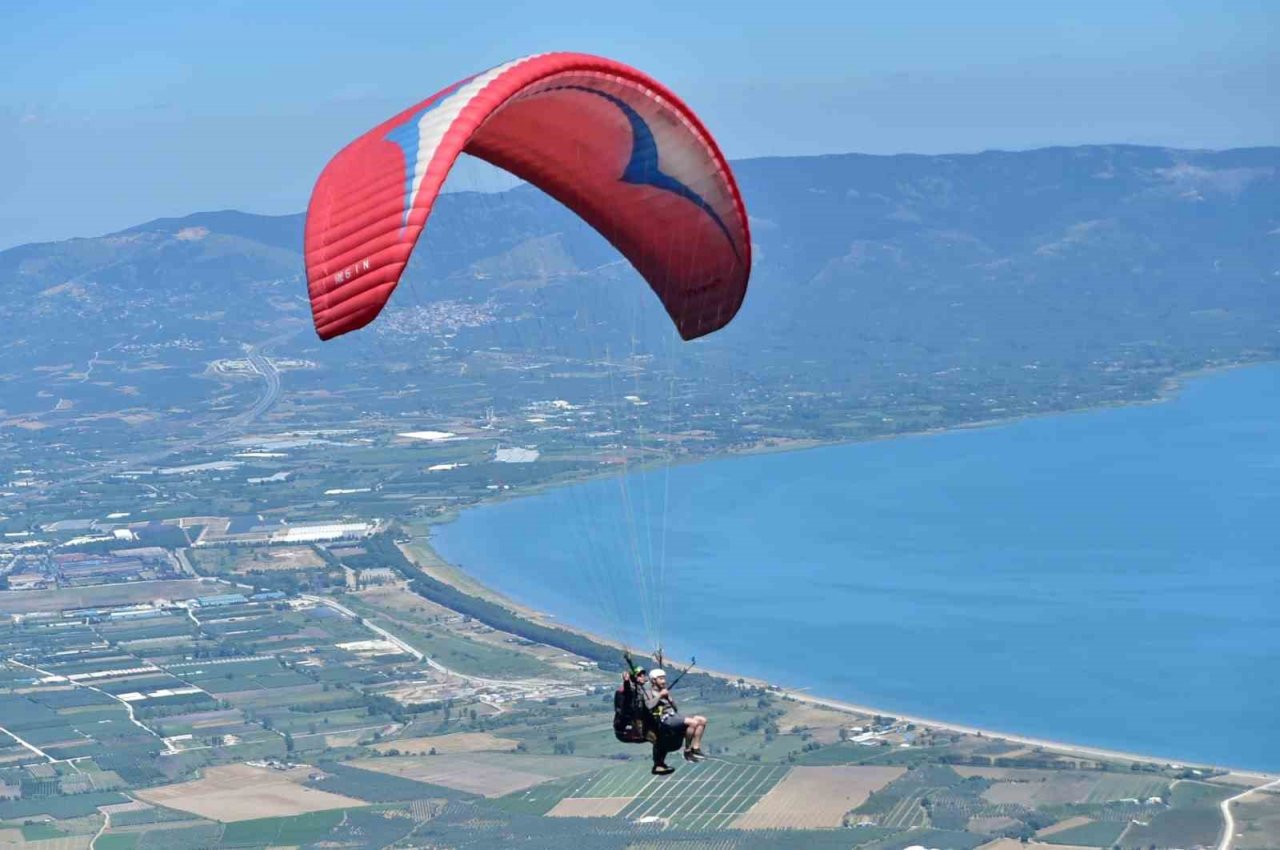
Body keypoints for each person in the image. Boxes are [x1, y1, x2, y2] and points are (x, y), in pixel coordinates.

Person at [644, 668, 707, 766]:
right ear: (653, 680)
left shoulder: (665, 692)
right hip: (663, 718)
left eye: (664, 678)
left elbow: (675, 708)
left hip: (673, 715)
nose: (664, 681)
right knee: (693, 723)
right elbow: (648, 706)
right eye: (660, 679)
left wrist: (669, 699)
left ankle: (696, 748)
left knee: (701, 720)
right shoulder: (649, 693)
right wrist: (660, 696)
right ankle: (687, 750)